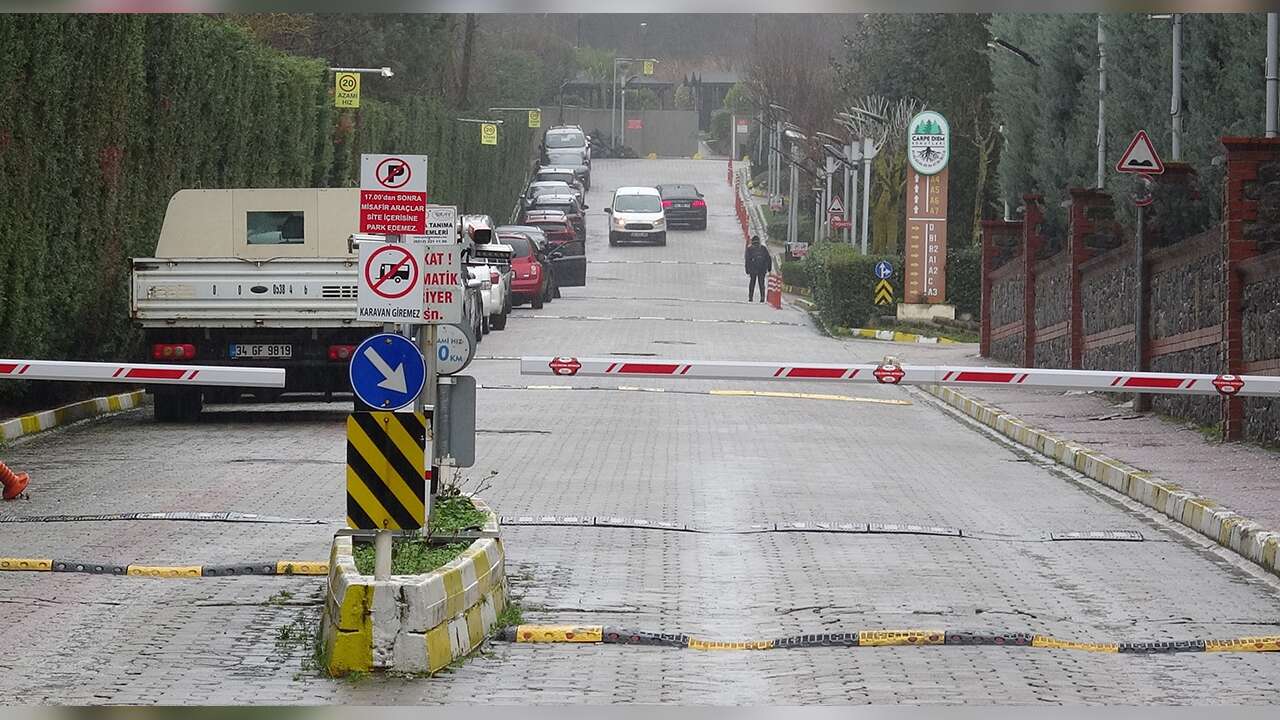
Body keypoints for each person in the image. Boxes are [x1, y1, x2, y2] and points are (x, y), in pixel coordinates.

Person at [745, 235, 772, 302]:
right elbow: (768, 258)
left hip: (753, 269)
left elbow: (747, 260)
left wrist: (747, 270)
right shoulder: (763, 248)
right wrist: (769, 268)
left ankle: (750, 297)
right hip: (762, 269)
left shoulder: (749, 249)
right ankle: (762, 297)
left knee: (752, 283)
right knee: (761, 283)